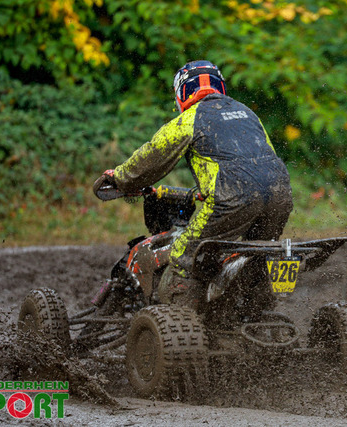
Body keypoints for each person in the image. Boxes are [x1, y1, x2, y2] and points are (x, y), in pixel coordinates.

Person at [94, 60, 293, 304]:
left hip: (230, 200)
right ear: (220, 86)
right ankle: (256, 308)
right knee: (256, 256)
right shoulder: (248, 114)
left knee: (184, 256)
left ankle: (182, 318)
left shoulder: (190, 118)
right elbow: (263, 158)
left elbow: (151, 158)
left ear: (182, 92)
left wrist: (121, 179)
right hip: (280, 196)